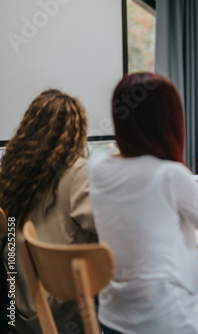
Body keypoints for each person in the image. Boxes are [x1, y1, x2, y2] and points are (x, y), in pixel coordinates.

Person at [87, 72, 198, 334]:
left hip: (114, 319)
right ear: (169, 120)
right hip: (170, 321)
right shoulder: (170, 175)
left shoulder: (96, 166)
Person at [0, 89, 96, 334]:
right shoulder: (77, 173)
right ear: (76, 134)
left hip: (16, 305)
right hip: (59, 313)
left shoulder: (10, 170)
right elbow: (110, 230)